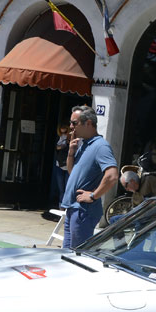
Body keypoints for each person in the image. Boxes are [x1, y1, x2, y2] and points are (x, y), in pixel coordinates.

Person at [60, 106, 118, 248]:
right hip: (73, 209)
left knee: (77, 255)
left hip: (83, 211)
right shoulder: (84, 144)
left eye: (75, 123)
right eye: (71, 123)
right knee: (67, 254)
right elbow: (72, 172)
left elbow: (112, 175)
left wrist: (93, 196)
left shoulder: (101, 146)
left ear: (88, 123)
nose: (71, 127)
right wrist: (71, 153)